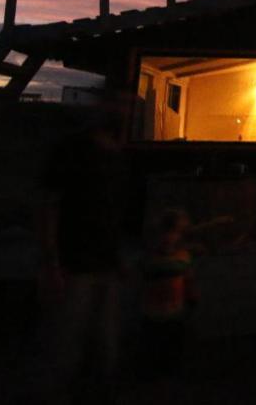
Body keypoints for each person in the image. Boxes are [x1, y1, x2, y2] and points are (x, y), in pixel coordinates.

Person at [37, 104, 129, 405]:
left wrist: (119, 257)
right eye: (121, 103)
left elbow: (112, 213)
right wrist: (52, 260)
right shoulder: (72, 152)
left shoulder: (116, 156)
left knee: (106, 342)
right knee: (67, 341)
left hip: (106, 262)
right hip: (75, 262)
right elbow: (50, 205)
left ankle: (98, 392)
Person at [139, 209, 198, 388]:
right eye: (164, 233)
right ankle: (154, 375)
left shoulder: (182, 258)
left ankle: (170, 375)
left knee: (173, 344)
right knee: (155, 345)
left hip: (175, 312)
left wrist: (192, 294)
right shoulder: (149, 259)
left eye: (172, 233)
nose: (167, 237)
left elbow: (188, 278)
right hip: (153, 313)